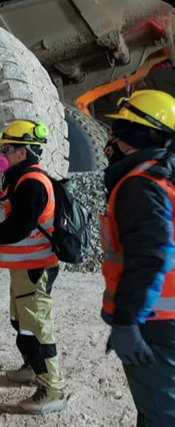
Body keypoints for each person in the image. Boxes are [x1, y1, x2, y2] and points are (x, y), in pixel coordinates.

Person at [101, 89, 175, 425]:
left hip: (156, 320)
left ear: (133, 137)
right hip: (162, 317)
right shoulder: (165, 176)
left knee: (160, 413)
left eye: (117, 130)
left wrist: (127, 320)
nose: (112, 139)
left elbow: (149, 257)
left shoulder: (140, 184)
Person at [0, 120, 67, 415]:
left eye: (6, 148)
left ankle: (53, 390)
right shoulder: (21, 178)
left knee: (37, 327)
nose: (2, 153)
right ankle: (33, 367)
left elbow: (21, 226)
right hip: (26, 266)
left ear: (23, 152)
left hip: (36, 267)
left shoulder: (31, 182)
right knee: (22, 322)